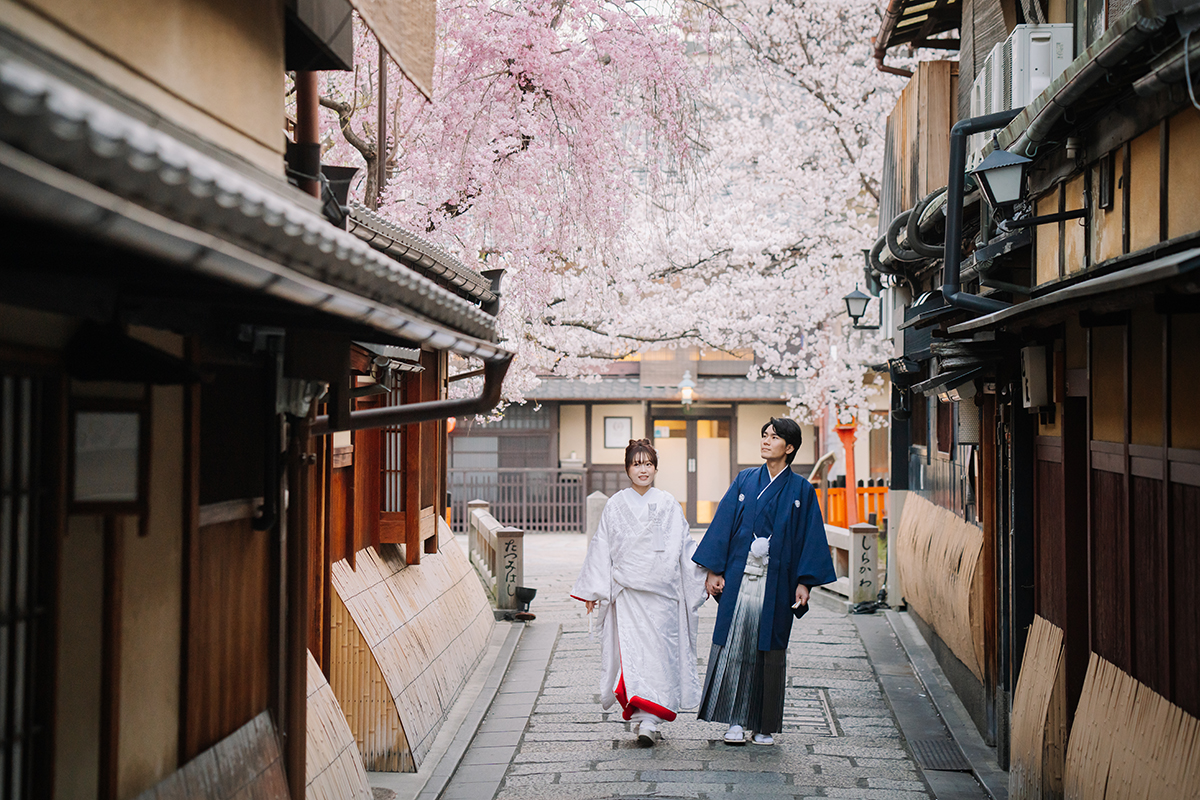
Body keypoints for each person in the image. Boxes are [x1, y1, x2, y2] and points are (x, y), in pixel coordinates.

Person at [692, 417, 836, 746]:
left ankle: (764, 724)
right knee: (736, 646)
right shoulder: (745, 480)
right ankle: (736, 720)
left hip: (777, 581)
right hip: (741, 578)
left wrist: (805, 582)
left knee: (769, 650)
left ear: (789, 448)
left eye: (774, 437)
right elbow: (724, 523)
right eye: (764, 435)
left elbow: (809, 538)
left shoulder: (801, 489)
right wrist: (714, 570)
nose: (766, 441)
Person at [571, 439, 708, 746]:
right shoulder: (616, 504)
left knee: (660, 654)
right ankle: (643, 717)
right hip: (629, 594)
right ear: (627, 469)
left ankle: (652, 716)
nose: (643, 469)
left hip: (662, 596)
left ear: (656, 467)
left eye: (648, 463)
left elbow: (685, 547)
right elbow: (602, 546)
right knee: (633, 656)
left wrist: (705, 575)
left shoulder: (669, 503)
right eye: (636, 464)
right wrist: (594, 589)